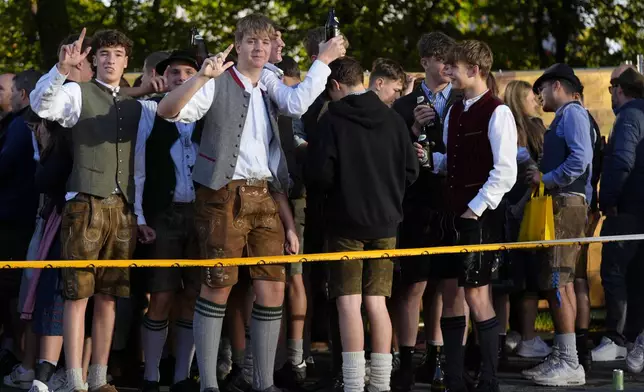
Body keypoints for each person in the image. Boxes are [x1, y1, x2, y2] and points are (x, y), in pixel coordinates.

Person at [156, 14, 346, 392]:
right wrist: (200, 78)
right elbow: (168, 111)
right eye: (251, 42)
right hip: (221, 194)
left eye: (264, 42)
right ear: (238, 44)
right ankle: (208, 383)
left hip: (265, 194)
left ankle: (262, 382)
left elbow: (296, 102)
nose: (258, 49)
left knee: (273, 287)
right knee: (218, 285)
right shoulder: (215, 81)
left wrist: (322, 62)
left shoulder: (272, 80)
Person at [30, 28, 142, 392]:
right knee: (76, 296)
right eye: (105, 53)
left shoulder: (132, 103)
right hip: (84, 205)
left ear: (127, 61)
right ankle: (75, 379)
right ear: (94, 59)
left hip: (122, 207)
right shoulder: (77, 91)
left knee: (110, 297)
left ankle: (98, 377)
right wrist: (61, 70)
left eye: (118, 54)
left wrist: (139, 213)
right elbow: (42, 106)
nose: (111, 59)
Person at [307, 55, 418, 392]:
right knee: (376, 302)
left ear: (336, 85)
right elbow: (411, 171)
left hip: (344, 225)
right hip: (386, 224)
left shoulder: (332, 119)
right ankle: (381, 382)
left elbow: (318, 174)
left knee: (348, 303)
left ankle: (354, 382)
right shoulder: (393, 119)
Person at [429, 40, 517, 392]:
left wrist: (473, 209)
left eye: (454, 66)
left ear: (475, 70)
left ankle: (489, 379)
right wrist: (427, 158)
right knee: (450, 293)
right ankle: (454, 377)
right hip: (452, 215)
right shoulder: (454, 111)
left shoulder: (498, 111)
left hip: (479, 217)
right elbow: (450, 162)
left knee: (477, 296)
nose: (448, 71)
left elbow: (505, 172)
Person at [391, 31, 462, 392]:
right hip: (416, 204)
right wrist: (413, 127)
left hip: (451, 204)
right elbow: (392, 157)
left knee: (446, 285)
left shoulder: (464, 101)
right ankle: (405, 360)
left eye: (452, 61)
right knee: (414, 284)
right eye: (441, 61)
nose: (448, 67)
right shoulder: (402, 107)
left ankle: (438, 358)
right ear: (424, 63)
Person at [134, 49, 202, 392]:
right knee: (160, 294)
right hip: (164, 212)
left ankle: (181, 377)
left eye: (187, 71)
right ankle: (150, 375)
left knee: (192, 295)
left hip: (202, 213)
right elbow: (139, 168)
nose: (180, 77)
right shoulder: (150, 109)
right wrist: (141, 215)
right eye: (174, 72)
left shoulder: (207, 110)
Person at [522, 63, 593, 386]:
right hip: (563, 203)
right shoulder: (566, 117)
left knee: (559, 280)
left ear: (558, 87)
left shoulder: (573, 115)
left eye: (543, 89)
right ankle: (566, 354)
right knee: (559, 279)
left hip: (567, 204)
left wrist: (545, 178)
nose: (540, 97)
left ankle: (569, 361)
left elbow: (580, 159)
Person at [596, 66, 644, 368]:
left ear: (619, 89)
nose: (610, 96)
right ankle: (634, 337)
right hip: (639, 210)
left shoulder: (628, 116)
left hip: (626, 208)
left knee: (614, 272)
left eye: (611, 89)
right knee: (637, 276)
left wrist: (607, 200)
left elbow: (622, 161)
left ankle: (616, 339)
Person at [0, 69, 42, 386]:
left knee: (13, 291)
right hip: (20, 217)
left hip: (16, 219)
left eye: (6, 89)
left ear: (23, 94)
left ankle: (18, 352)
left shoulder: (20, 125)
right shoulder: (19, 122)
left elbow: (5, 166)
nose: (6, 95)